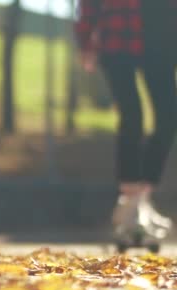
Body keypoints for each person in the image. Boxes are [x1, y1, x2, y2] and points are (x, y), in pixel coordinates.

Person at [76, 0, 177, 240]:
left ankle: (140, 198)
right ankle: (130, 201)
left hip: (160, 34)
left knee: (169, 117)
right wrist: (86, 41)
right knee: (132, 115)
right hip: (118, 35)